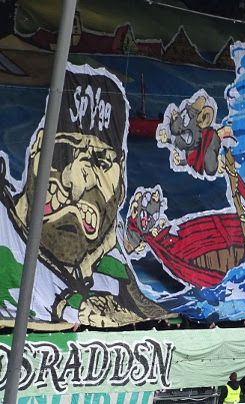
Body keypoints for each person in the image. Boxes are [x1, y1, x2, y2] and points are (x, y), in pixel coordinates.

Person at [0, 64, 166, 327]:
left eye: (102, 161)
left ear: (121, 185)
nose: (78, 179)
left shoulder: (116, 275)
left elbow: (153, 305)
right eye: (62, 150)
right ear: (36, 150)